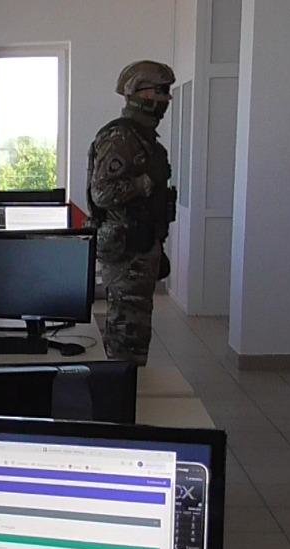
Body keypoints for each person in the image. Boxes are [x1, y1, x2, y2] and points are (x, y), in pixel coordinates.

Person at [88, 60, 177, 367]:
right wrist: (146, 181)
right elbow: (102, 193)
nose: (166, 99)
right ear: (139, 92)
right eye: (161, 91)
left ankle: (128, 385)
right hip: (126, 250)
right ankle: (121, 389)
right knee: (126, 336)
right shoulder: (120, 137)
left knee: (135, 334)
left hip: (141, 246)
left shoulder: (144, 139)